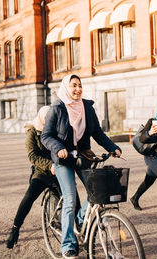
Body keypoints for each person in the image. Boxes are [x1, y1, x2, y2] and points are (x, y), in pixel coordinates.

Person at [41, 74, 122, 259]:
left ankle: (77, 222)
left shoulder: (87, 107)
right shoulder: (57, 108)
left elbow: (97, 133)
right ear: (66, 88)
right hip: (63, 158)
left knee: (96, 193)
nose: (77, 89)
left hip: (83, 155)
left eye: (79, 85)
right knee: (70, 199)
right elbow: (45, 136)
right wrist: (59, 148)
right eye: (73, 85)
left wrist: (113, 148)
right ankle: (68, 245)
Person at [6, 105, 59, 249]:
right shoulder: (32, 132)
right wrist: (49, 165)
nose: (50, 120)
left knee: (71, 198)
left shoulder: (55, 130)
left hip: (57, 171)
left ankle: (77, 232)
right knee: (29, 197)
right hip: (41, 171)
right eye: (47, 118)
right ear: (41, 117)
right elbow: (32, 156)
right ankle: (15, 229)